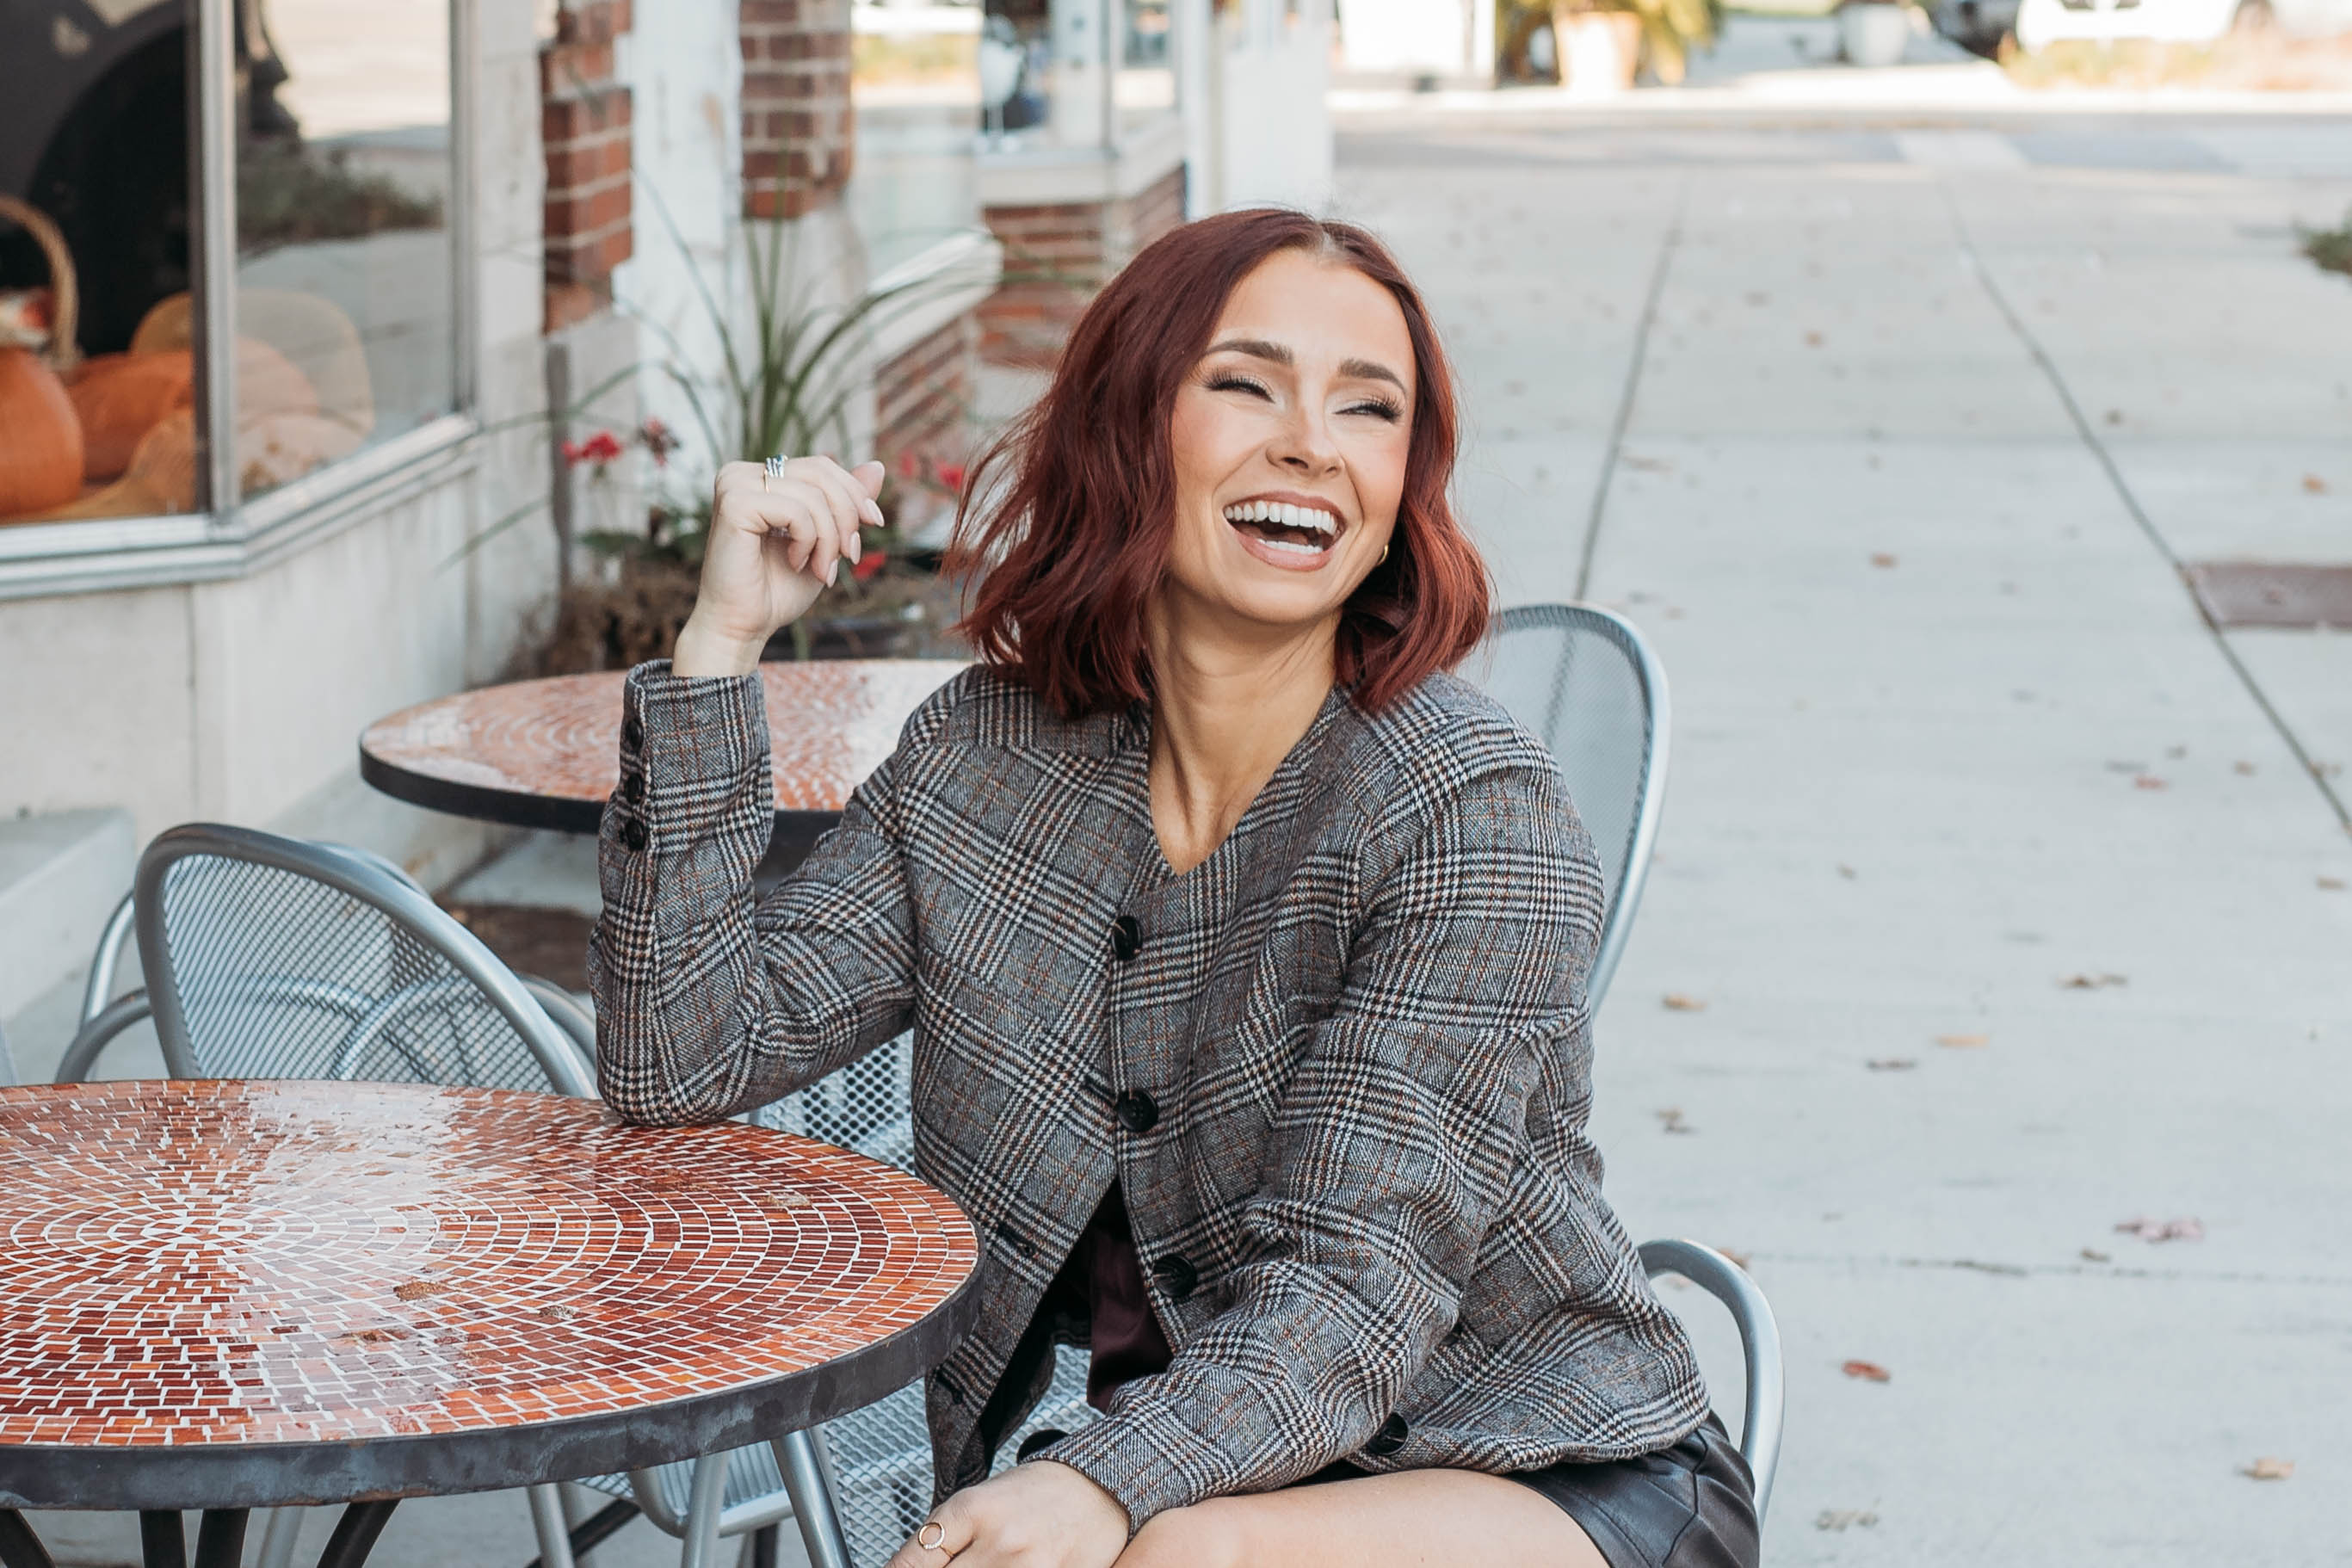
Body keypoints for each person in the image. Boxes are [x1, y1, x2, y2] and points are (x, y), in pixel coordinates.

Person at [590, 207, 1757, 1568]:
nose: (1310, 443)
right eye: (1245, 383)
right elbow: (680, 1056)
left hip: (1522, 1465)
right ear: (1128, 423)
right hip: (1166, 1484)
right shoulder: (984, 757)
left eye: (1366, 409)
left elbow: (1352, 1288)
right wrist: (720, 649)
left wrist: (1101, 1485)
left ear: (1398, 487)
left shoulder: (1465, 808)